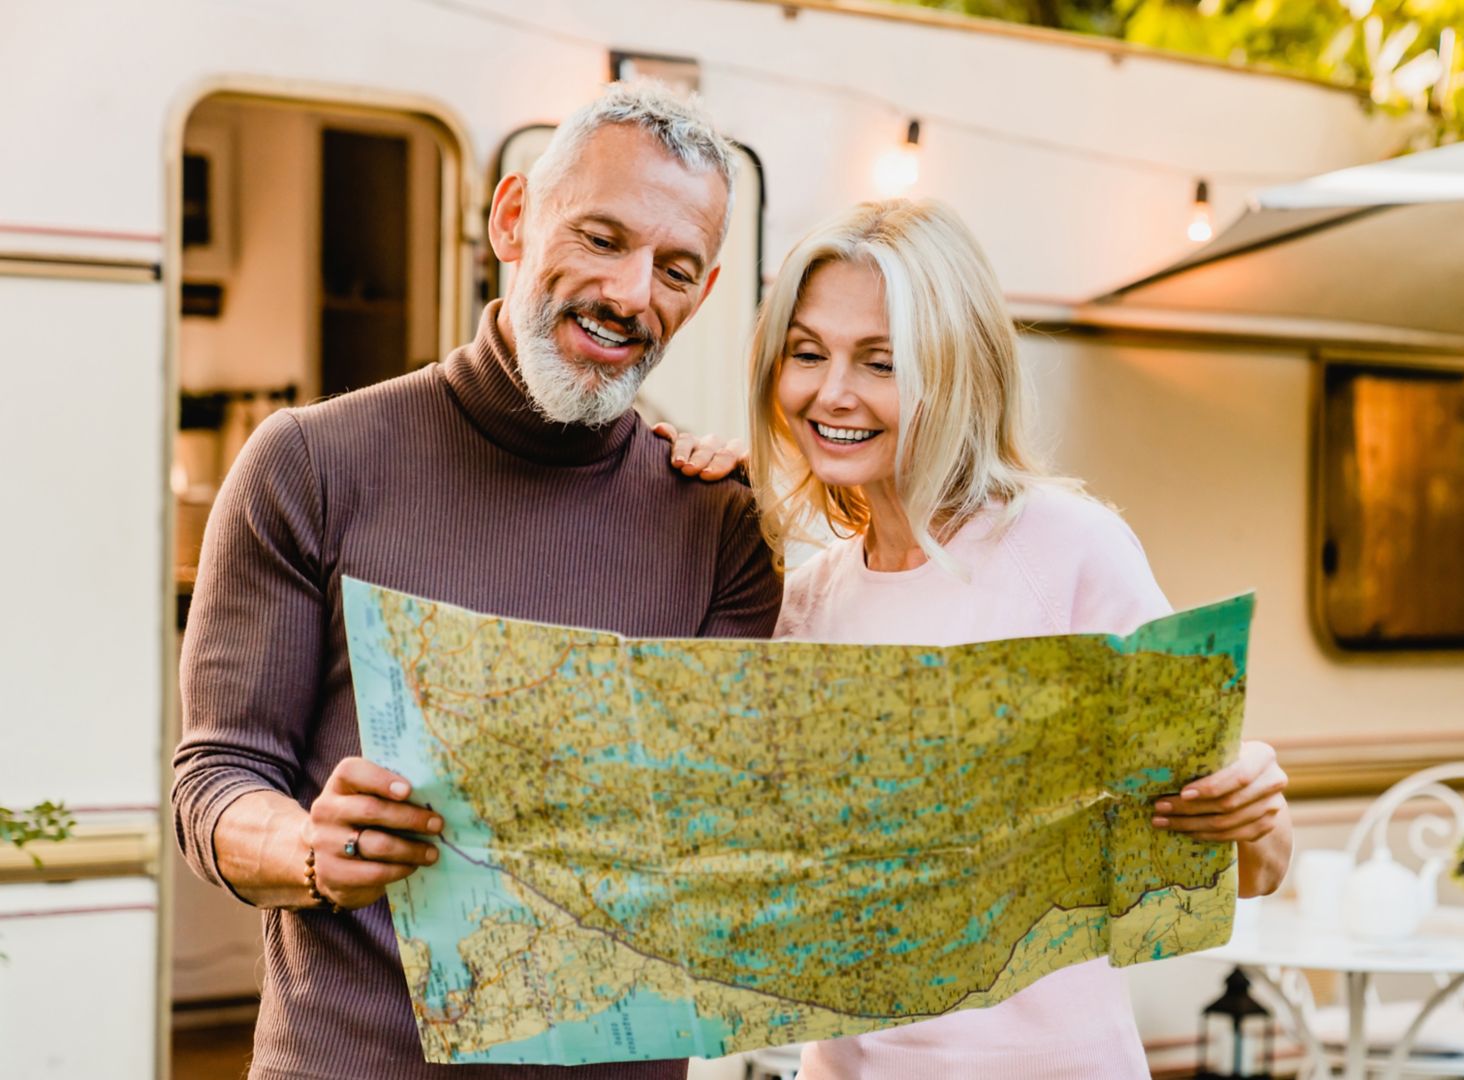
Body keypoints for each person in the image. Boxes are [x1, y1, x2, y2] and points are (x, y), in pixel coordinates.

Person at [171, 82, 781, 1080]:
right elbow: (216, 783)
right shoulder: (307, 465)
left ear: (703, 293)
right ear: (512, 219)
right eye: (600, 238)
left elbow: (727, 839)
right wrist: (311, 850)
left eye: (675, 267)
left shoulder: (718, 525)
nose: (632, 295)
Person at [674, 198, 1293, 1078]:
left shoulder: (1066, 548)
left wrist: (1252, 807)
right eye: (806, 353)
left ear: (957, 369)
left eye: (881, 362)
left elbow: (1256, 867)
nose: (832, 392)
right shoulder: (801, 604)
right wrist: (682, 505)